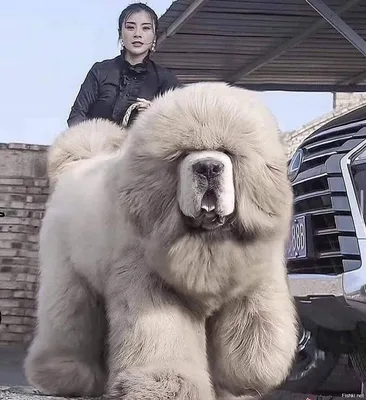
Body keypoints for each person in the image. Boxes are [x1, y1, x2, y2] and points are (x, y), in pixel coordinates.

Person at [67, 3, 180, 128]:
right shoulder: (100, 71)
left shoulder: (165, 79)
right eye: (130, 27)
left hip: (143, 147)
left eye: (146, 28)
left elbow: (178, 124)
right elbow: (76, 117)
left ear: (154, 36)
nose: (137, 34)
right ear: (121, 33)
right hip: (96, 145)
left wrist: (155, 113)